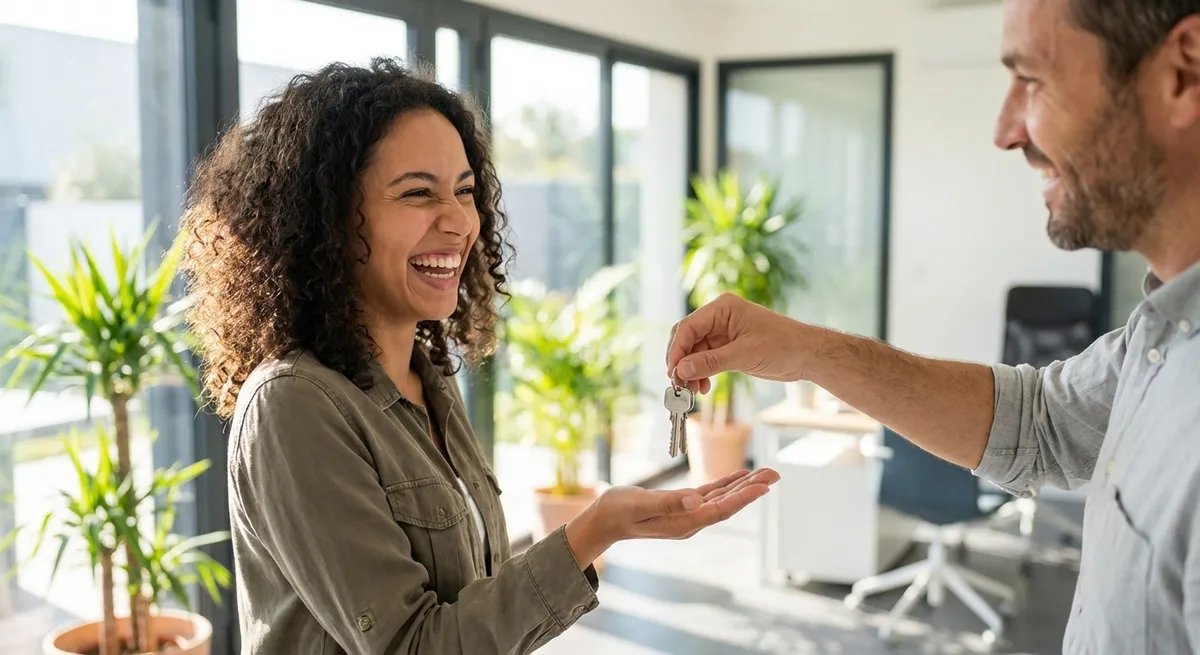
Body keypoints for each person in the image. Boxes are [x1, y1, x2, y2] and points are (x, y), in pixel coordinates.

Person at [178, 58, 778, 654]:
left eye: (465, 191)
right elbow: (413, 646)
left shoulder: (429, 377)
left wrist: (603, 530)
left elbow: (471, 600)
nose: (460, 221)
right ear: (327, 222)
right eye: (418, 193)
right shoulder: (294, 403)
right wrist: (595, 528)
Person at [667, 0, 1200, 653]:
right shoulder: (1160, 334)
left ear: (1184, 73)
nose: (1005, 131)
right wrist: (806, 349)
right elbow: (1037, 420)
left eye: (1031, 80)